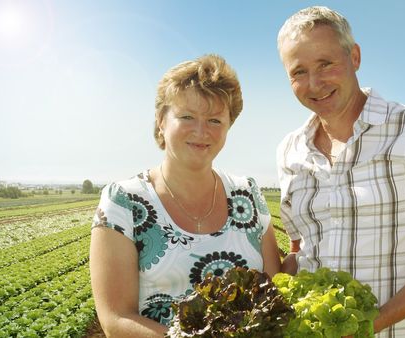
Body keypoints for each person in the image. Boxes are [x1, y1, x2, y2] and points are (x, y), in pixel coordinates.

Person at [275, 6, 405, 337]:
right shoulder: (289, 150)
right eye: (298, 72)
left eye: (326, 64)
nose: (314, 83)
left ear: (354, 57)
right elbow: (300, 251)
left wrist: (368, 325)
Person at [89, 54, 281, 337]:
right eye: (187, 116)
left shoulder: (248, 195)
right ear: (161, 121)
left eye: (215, 120)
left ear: (229, 126)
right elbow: (116, 319)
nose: (201, 131)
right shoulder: (124, 202)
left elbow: (273, 291)